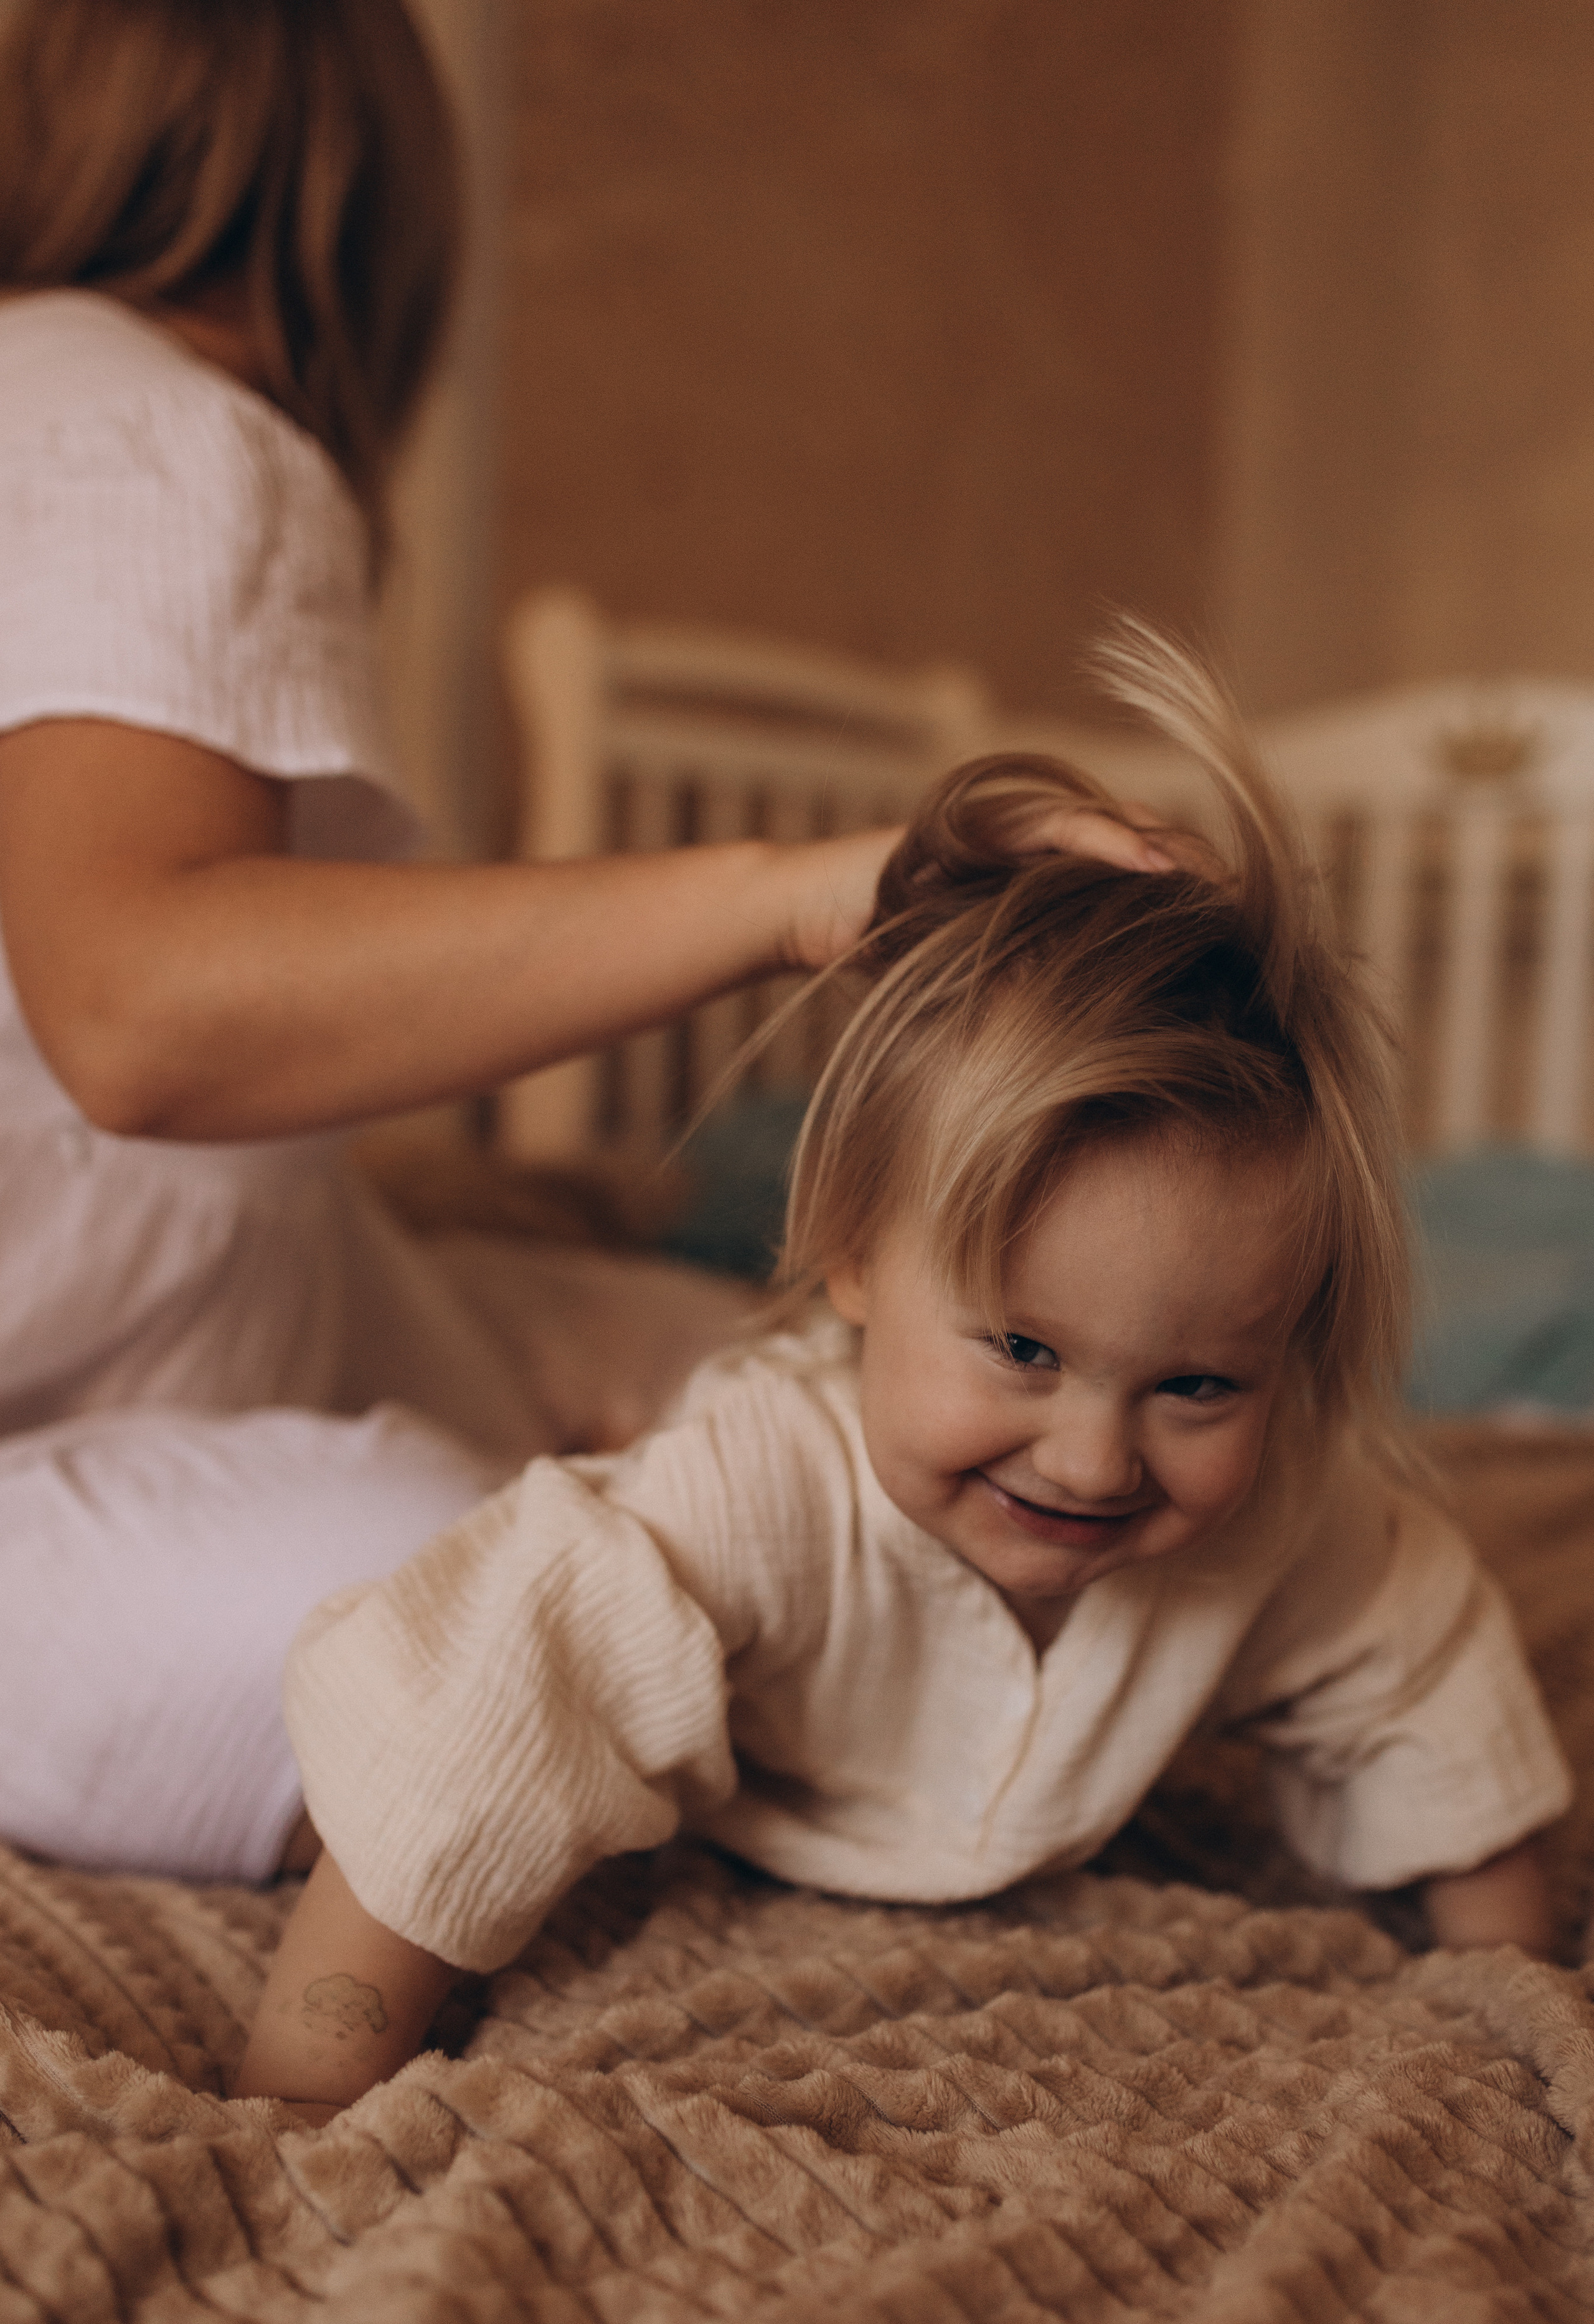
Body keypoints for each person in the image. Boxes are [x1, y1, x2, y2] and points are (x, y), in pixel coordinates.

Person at [0, 0, 1146, 1886]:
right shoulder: (168, 438)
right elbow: (137, 1017)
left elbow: (117, 1152)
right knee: (511, 1614)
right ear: (376, 204)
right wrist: (792, 892)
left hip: (125, 1342)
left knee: (754, 1389)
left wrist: (559, 1347)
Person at [235, 624, 1573, 2123]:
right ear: (854, 1254)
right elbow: (472, 1724)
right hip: (734, 1595)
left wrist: (1504, 1986)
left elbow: (1421, 1676)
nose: (1088, 1460)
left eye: (1196, 1386)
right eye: (1021, 1349)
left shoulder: (1286, 1519)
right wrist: (301, 2089)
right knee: (571, 1406)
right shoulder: (752, 1491)